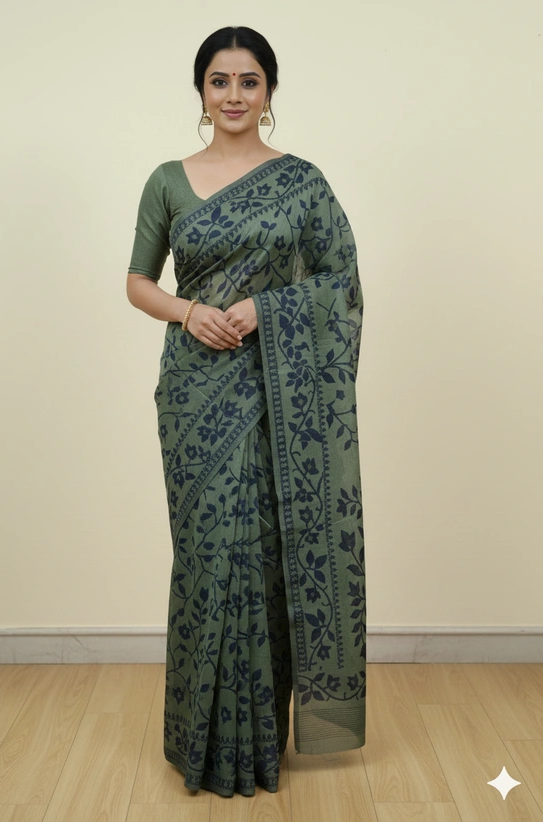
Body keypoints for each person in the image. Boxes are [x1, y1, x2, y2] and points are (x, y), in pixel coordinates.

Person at [126, 25, 366, 798]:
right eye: (220, 80)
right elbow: (137, 281)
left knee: (264, 559)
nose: (234, 95)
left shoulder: (301, 182)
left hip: (276, 393)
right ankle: (199, 744)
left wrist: (268, 307)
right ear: (201, 91)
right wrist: (189, 311)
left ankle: (259, 746)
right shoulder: (168, 180)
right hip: (194, 393)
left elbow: (342, 282)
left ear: (269, 92)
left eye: (249, 80)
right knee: (206, 557)